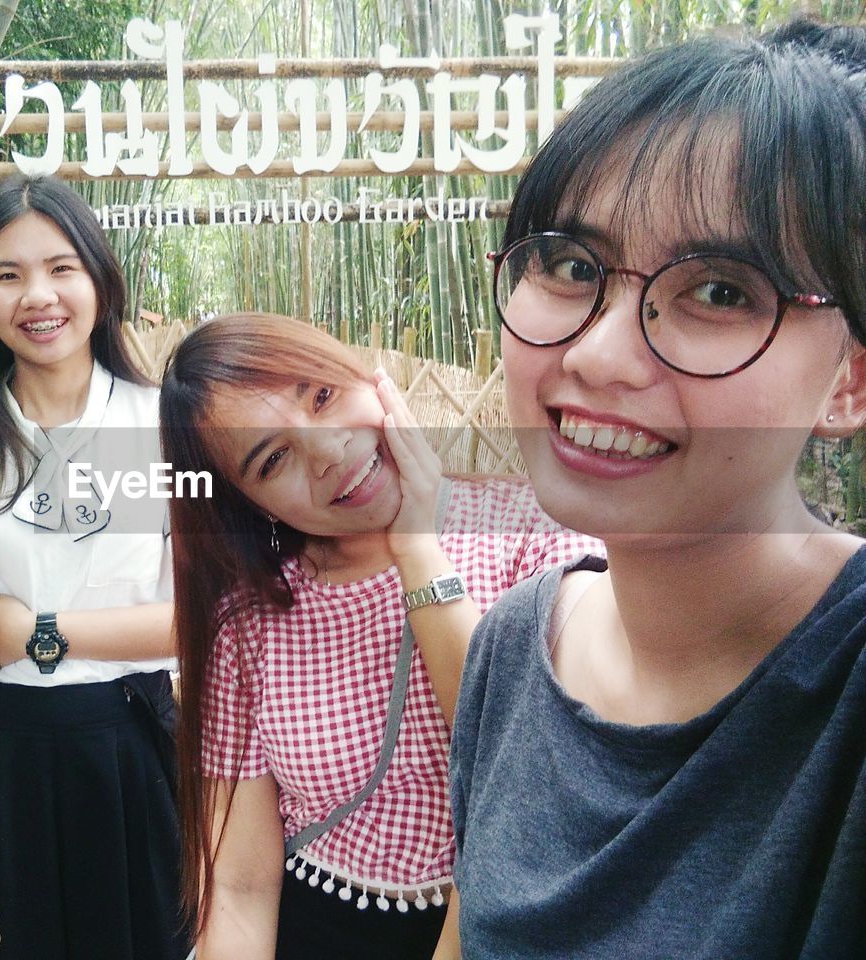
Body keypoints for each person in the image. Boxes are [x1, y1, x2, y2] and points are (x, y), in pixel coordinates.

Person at [441, 18, 866, 960]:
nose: (596, 355)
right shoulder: (515, 648)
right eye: (571, 264)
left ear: (851, 381)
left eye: (720, 292)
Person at [159, 313, 600, 959]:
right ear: (252, 504)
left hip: (504, 929)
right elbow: (240, 886)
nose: (329, 451)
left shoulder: (538, 536)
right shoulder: (249, 626)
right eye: (273, 458)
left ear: (368, 375)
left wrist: (419, 553)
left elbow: (529, 763)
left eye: (322, 395)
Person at [0, 174, 187, 960]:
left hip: (137, 757)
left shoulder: (161, 427)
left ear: (99, 277)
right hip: (8, 772)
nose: (39, 296)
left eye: (61, 267)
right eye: (7, 274)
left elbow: (197, 621)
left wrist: (42, 631)